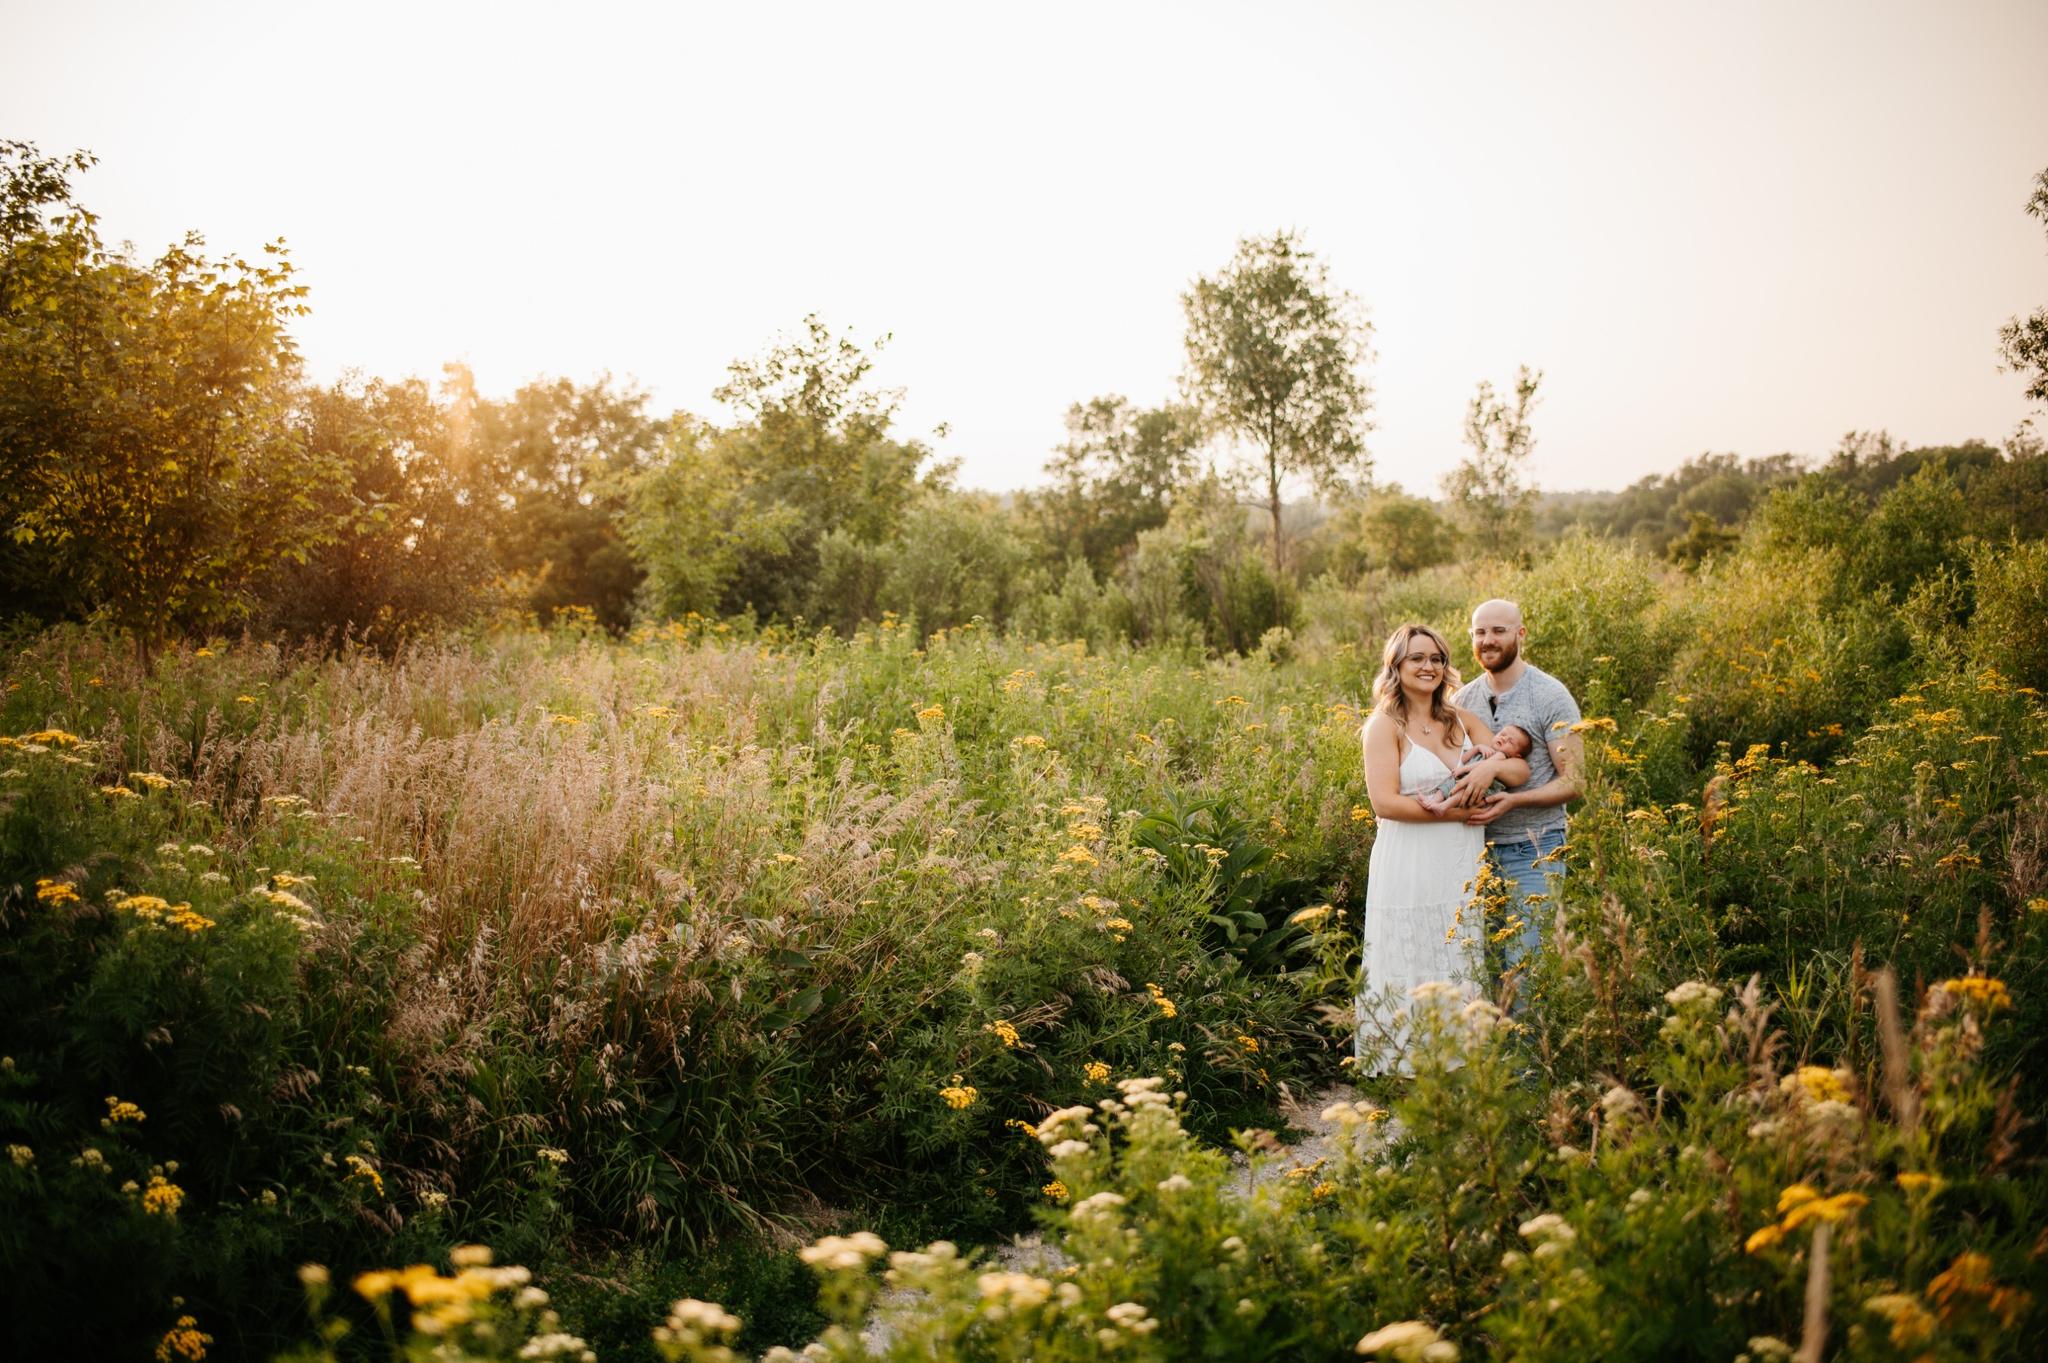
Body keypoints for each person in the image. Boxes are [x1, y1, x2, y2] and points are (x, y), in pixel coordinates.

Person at [1356, 622, 1530, 1075]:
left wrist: (1486, 771)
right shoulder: (1384, 726)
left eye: (1436, 658)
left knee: (1457, 947)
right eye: (1417, 658)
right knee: (1411, 948)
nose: (1428, 666)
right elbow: (1385, 802)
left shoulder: (1461, 719)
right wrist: (1454, 812)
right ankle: (1403, 1067)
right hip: (1409, 858)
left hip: (1459, 857)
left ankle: (1460, 1061)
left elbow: (1518, 771)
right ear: (1397, 665)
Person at [1443, 599, 1583, 1006]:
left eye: (1499, 631)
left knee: (1522, 978)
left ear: (1520, 634)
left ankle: (1528, 1069)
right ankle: (1490, 1066)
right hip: (1472, 855)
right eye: (1480, 632)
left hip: (1534, 851)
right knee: (1476, 975)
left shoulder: (1549, 695)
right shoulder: (1463, 701)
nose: (1488, 640)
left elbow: (1577, 780)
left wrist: (1513, 802)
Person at [1414, 724, 1532, 814]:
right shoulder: (1487, 750)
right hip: (1465, 779)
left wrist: (1463, 770)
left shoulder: (1501, 756)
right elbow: (1464, 759)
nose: (1504, 738)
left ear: (1517, 755)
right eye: (1502, 734)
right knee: (1447, 785)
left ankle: (1443, 806)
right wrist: (1477, 748)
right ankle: (1434, 800)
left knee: (1463, 791)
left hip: (1479, 787)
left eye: (1510, 741)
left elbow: (1483, 767)